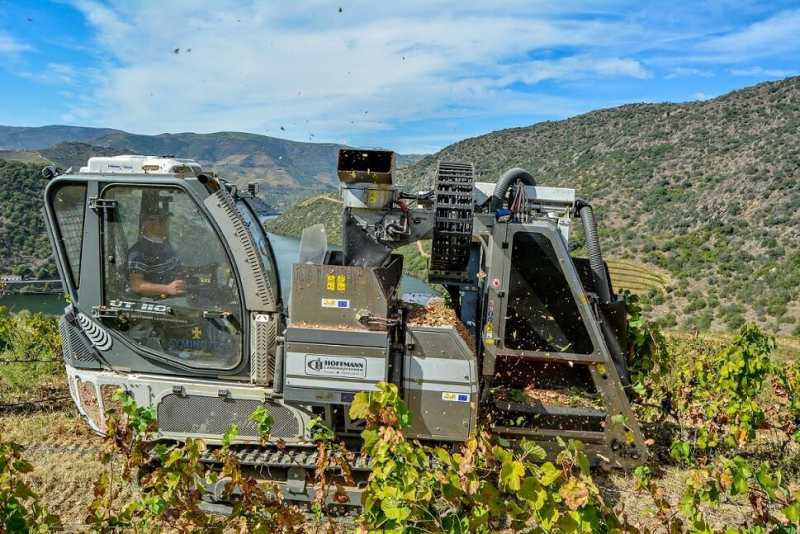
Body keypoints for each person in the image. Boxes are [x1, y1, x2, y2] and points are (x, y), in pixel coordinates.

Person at [127, 210, 185, 298]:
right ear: (149, 224)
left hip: (177, 295)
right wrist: (167, 288)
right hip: (160, 300)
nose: (166, 224)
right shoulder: (139, 251)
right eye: (161, 220)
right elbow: (136, 285)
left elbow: (171, 267)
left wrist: (201, 269)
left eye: (166, 220)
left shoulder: (164, 244)